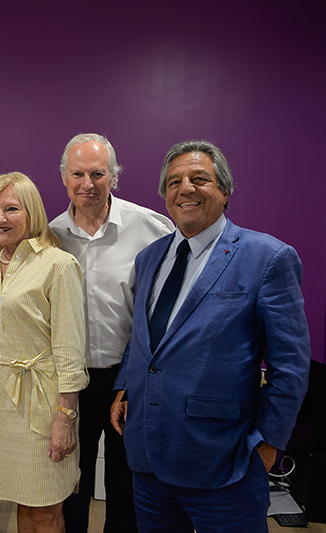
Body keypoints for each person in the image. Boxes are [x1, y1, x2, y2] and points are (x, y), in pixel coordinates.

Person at [110, 141, 310, 532]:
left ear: (225, 190)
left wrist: (269, 442)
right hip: (149, 459)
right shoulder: (149, 258)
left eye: (199, 178)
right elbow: (143, 337)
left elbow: (290, 364)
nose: (185, 188)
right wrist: (125, 387)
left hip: (224, 461)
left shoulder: (267, 257)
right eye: (174, 182)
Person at [49, 134, 173, 533]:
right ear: (64, 177)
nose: (87, 184)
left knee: (127, 482)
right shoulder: (49, 236)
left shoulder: (152, 228)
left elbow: (166, 311)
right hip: (71, 382)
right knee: (71, 483)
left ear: (114, 177)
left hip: (129, 379)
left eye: (98, 174)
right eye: (78, 174)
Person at [0, 172, 88, 533]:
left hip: (43, 404)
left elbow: (69, 350)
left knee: (44, 507)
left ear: (32, 213)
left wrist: (66, 417)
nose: (0, 218)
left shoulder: (58, 265)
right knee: (20, 498)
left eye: (11, 209)